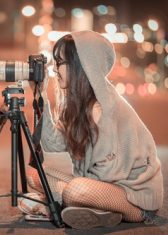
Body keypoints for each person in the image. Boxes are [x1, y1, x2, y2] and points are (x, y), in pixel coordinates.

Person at [18, 30, 163, 229]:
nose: (54, 70)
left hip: (134, 199)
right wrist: (41, 97)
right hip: (99, 186)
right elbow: (53, 144)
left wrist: (64, 192)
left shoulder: (105, 108)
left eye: (60, 63)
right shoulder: (80, 105)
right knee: (35, 176)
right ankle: (92, 211)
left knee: (76, 190)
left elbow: (109, 174)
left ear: (82, 65)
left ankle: (61, 205)